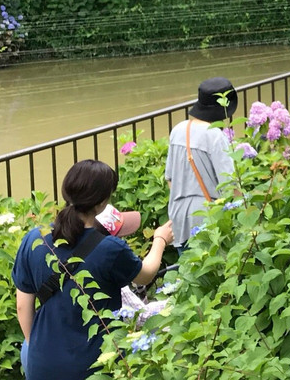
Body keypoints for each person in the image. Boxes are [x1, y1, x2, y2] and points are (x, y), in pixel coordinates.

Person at [12, 159, 173, 380]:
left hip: (42, 364)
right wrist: (160, 240)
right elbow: (146, 274)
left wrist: (39, 350)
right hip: (94, 366)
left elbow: (22, 306)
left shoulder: (34, 239)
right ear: (102, 202)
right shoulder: (110, 248)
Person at [165, 76, 238, 250]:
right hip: (207, 218)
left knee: (187, 264)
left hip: (178, 217)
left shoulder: (178, 130)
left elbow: (169, 179)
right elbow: (230, 185)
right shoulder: (215, 135)